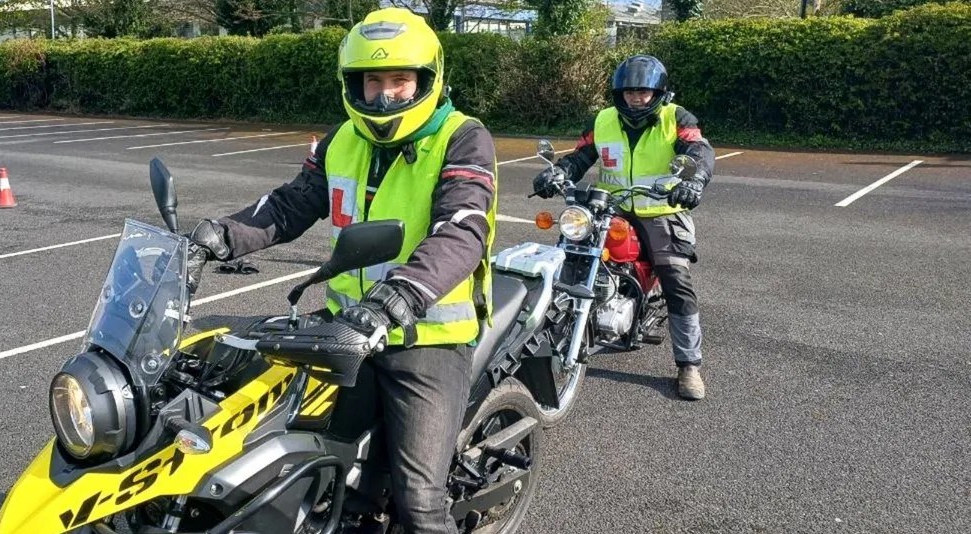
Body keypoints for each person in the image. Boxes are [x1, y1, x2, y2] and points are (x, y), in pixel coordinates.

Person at [183, 8, 498, 532]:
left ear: (428, 79)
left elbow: (463, 228)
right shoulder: (342, 139)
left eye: (401, 80)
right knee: (324, 470)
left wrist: (399, 295)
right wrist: (218, 237)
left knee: (419, 502)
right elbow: (290, 206)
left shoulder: (464, 138)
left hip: (427, 338)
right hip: (347, 332)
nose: (384, 95)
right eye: (373, 80)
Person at [532, 55, 715, 400]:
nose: (636, 98)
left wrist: (696, 180)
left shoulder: (676, 118)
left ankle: (689, 365)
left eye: (644, 92)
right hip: (610, 207)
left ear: (658, 92)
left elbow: (698, 151)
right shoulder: (603, 120)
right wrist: (559, 172)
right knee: (568, 256)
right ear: (620, 93)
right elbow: (581, 155)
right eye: (630, 91)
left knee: (675, 277)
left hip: (660, 209)